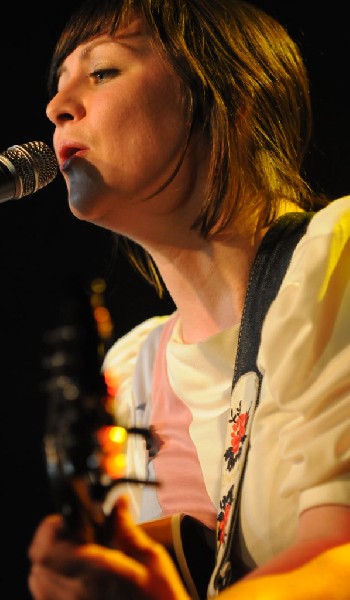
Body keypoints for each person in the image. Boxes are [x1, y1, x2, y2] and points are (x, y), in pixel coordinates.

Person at [27, 0, 350, 598]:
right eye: (59, 84)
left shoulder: (335, 257)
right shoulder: (132, 371)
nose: (56, 107)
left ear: (226, 95)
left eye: (101, 72)